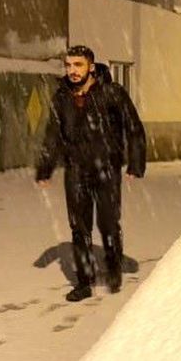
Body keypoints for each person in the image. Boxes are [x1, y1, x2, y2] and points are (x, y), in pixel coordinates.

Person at [36, 45, 146, 302]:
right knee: (79, 227)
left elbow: (134, 128)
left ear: (91, 67)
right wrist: (45, 168)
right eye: (68, 65)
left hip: (106, 169)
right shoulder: (62, 97)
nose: (72, 71)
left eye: (78, 65)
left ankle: (114, 267)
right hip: (76, 170)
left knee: (108, 223)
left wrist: (135, 164)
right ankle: (84, 283)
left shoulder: (112, 93)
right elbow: (53, 135)